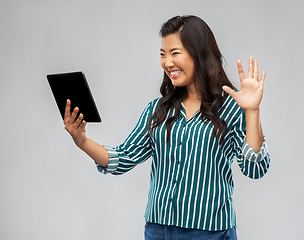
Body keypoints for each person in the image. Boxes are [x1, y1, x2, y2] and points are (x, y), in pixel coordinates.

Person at [64, 15, 270, 240]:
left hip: (210, 232)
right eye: (163, 54)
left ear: (199, 54)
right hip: (158, 230)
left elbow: (255, 169)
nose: (167, 62)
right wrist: (82, 141)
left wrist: (252, 112)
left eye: (175, 53)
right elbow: (122, 157)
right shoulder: (158, 110)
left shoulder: (230, 107)